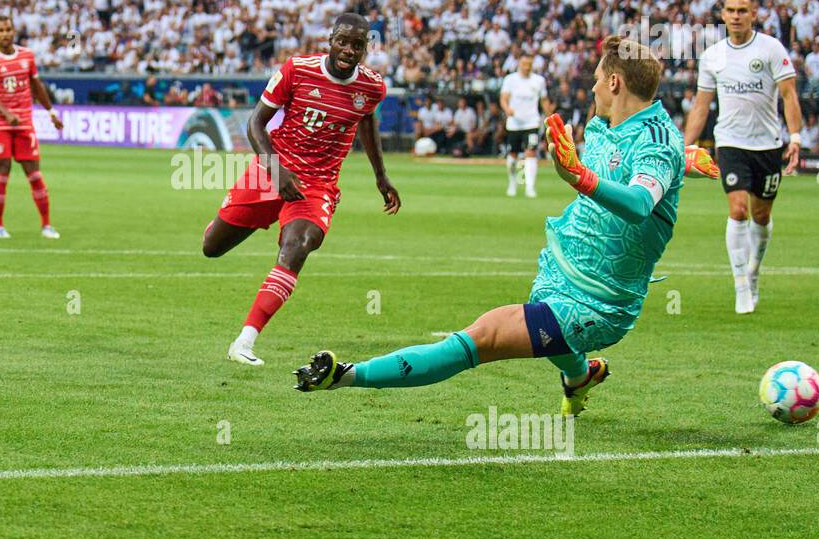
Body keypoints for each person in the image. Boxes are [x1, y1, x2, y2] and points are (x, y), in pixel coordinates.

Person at [293, 36, 720, 412]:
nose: (591, 86)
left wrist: (584, 177)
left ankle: (346, 375)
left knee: (483, 337)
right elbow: (637, 161)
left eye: (596, 77)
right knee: (552, 338)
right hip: (561, 268)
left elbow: (642, 202)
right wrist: (685, 160)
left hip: (598, 302)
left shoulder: (658, 143)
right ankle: (580, 377)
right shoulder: (605, 124)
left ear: (615, 83)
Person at [202, 13, 400, 367]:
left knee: (299, 245)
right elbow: (256, 123)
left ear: (366, 49)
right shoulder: (297, 69)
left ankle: (245, 341)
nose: (349, 50)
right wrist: (277, 171)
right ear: (331, 39)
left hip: (317, 184)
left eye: (358, 45)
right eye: (343, 41)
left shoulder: (372, 86)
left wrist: (380, 175)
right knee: (212, 248)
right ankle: (243, 213)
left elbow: (367, 119)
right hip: (273, 168)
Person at [682, 0, 803, 314]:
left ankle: (753, 272)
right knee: (738, 210)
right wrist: (686, 145)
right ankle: (740, 285)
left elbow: (789, 95)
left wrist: (795, 137)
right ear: (723, 15)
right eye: (731, 10)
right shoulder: (713, 56)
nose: (736, 16)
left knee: (761, 216)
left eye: (742, 11)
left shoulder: (771, 49)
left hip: (767, 145)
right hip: (731, 143)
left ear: (753, 15)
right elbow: (701, 106)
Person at [0, 16, 63, 239]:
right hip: (0, 124)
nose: (5, 33)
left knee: (34, 173)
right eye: (0, 30)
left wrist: (51, 112)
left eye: (8, 29)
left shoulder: (27, 55)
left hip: (24, 123)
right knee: (2, 171)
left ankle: (46, 225)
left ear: (14, 32)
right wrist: (6, 114)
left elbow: (37, 86)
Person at [500, 54, 553, 197]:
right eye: (524, 64)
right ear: (519, 64)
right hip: (514, 124)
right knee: (512, 156)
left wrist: (549, 117)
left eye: (529, 64)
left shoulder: (538, 81)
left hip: (531, 122)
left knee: (531, 153)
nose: (526, 67)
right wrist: (507, 109)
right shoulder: (510, 80)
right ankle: (512, 182)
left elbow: (544, 100)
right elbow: (503, 98)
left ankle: (530, 187)